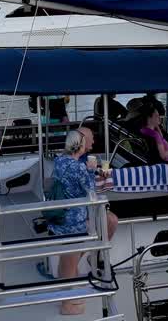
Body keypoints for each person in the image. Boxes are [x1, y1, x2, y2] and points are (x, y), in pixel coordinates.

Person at [49, 128, 118, 315]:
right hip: (74, 220)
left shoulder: (60, 161)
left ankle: (66, 296)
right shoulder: (77, 166)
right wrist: (93, 173)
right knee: (71, 260)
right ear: (80, 145)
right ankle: (67, 305)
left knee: (68, 257)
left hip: (61, 217)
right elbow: (90, 191)